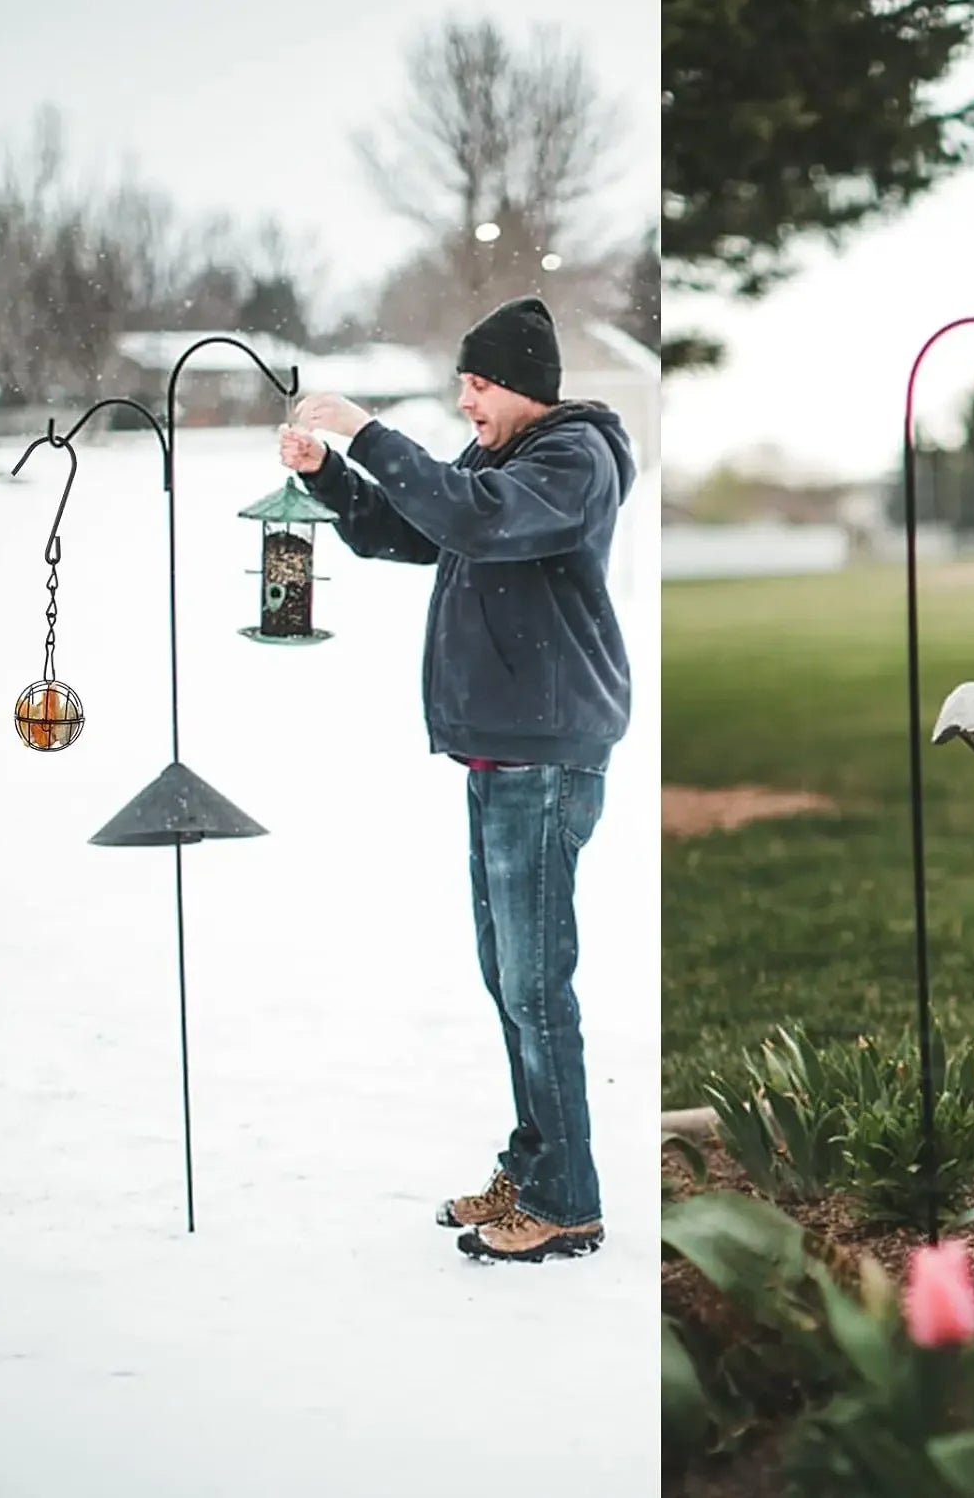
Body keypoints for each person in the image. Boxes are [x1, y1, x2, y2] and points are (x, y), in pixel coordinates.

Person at [278, 295, 633, 1265]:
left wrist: (367, 428)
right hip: (499, 753)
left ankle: (569, 1199)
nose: (465, 402)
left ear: (517, 382)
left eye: (476, 385)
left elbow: (475, 518)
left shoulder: (572, 459)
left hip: (545, 755)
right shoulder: (502, 459)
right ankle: (534, 1160)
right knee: (509, 981)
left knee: (536, 986)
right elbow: (416, 527)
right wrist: (334, 478)